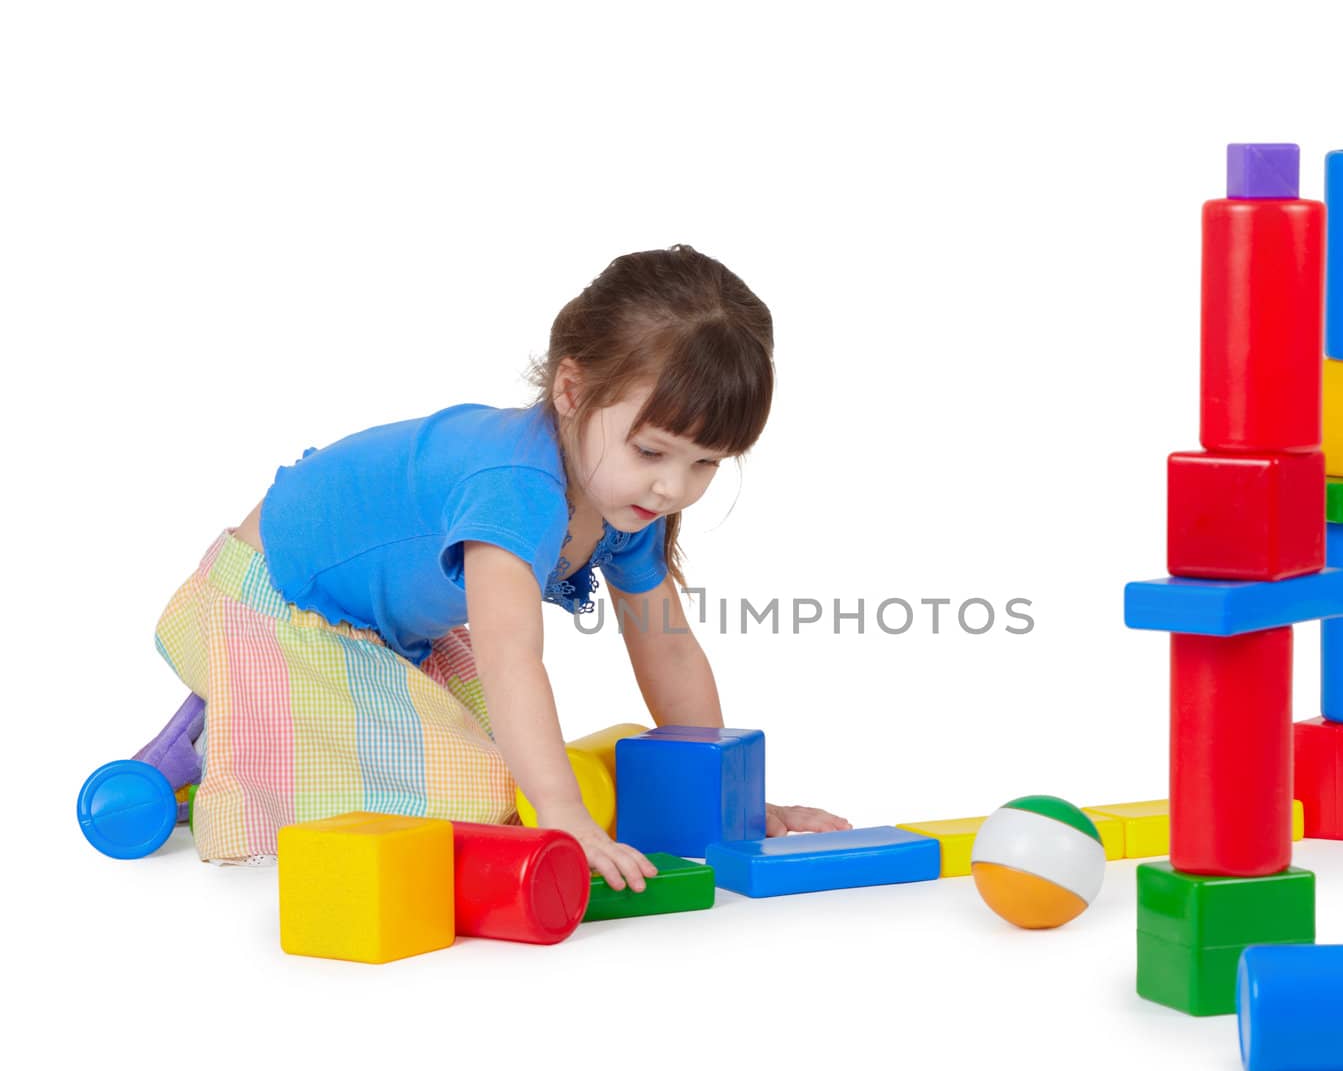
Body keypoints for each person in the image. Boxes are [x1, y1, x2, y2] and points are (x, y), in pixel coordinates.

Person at [153, 245, 848, 888]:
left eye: (705, 464)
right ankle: (225, 742)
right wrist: (562, 813)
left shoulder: (628, 502)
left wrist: (730, 806)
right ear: (572, 391)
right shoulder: (516, 488)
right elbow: (511, 655)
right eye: (652, 451)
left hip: (392, 628)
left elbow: (668, 647)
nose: (673, 489)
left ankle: (238, 729)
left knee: (494, 771)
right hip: (282, 603)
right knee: (478, 794)